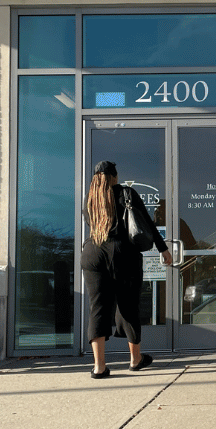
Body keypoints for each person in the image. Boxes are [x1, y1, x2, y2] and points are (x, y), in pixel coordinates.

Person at [83, 160, 172, 378]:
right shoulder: (126, 193)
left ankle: (99, 367)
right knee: (128, 304)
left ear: (95, 178)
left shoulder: (90, 199)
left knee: (98, 308)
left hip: (92, 252)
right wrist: (163, 249)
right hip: (122, 252)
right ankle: (135, 359)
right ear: (114, 176)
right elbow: (146, 223)